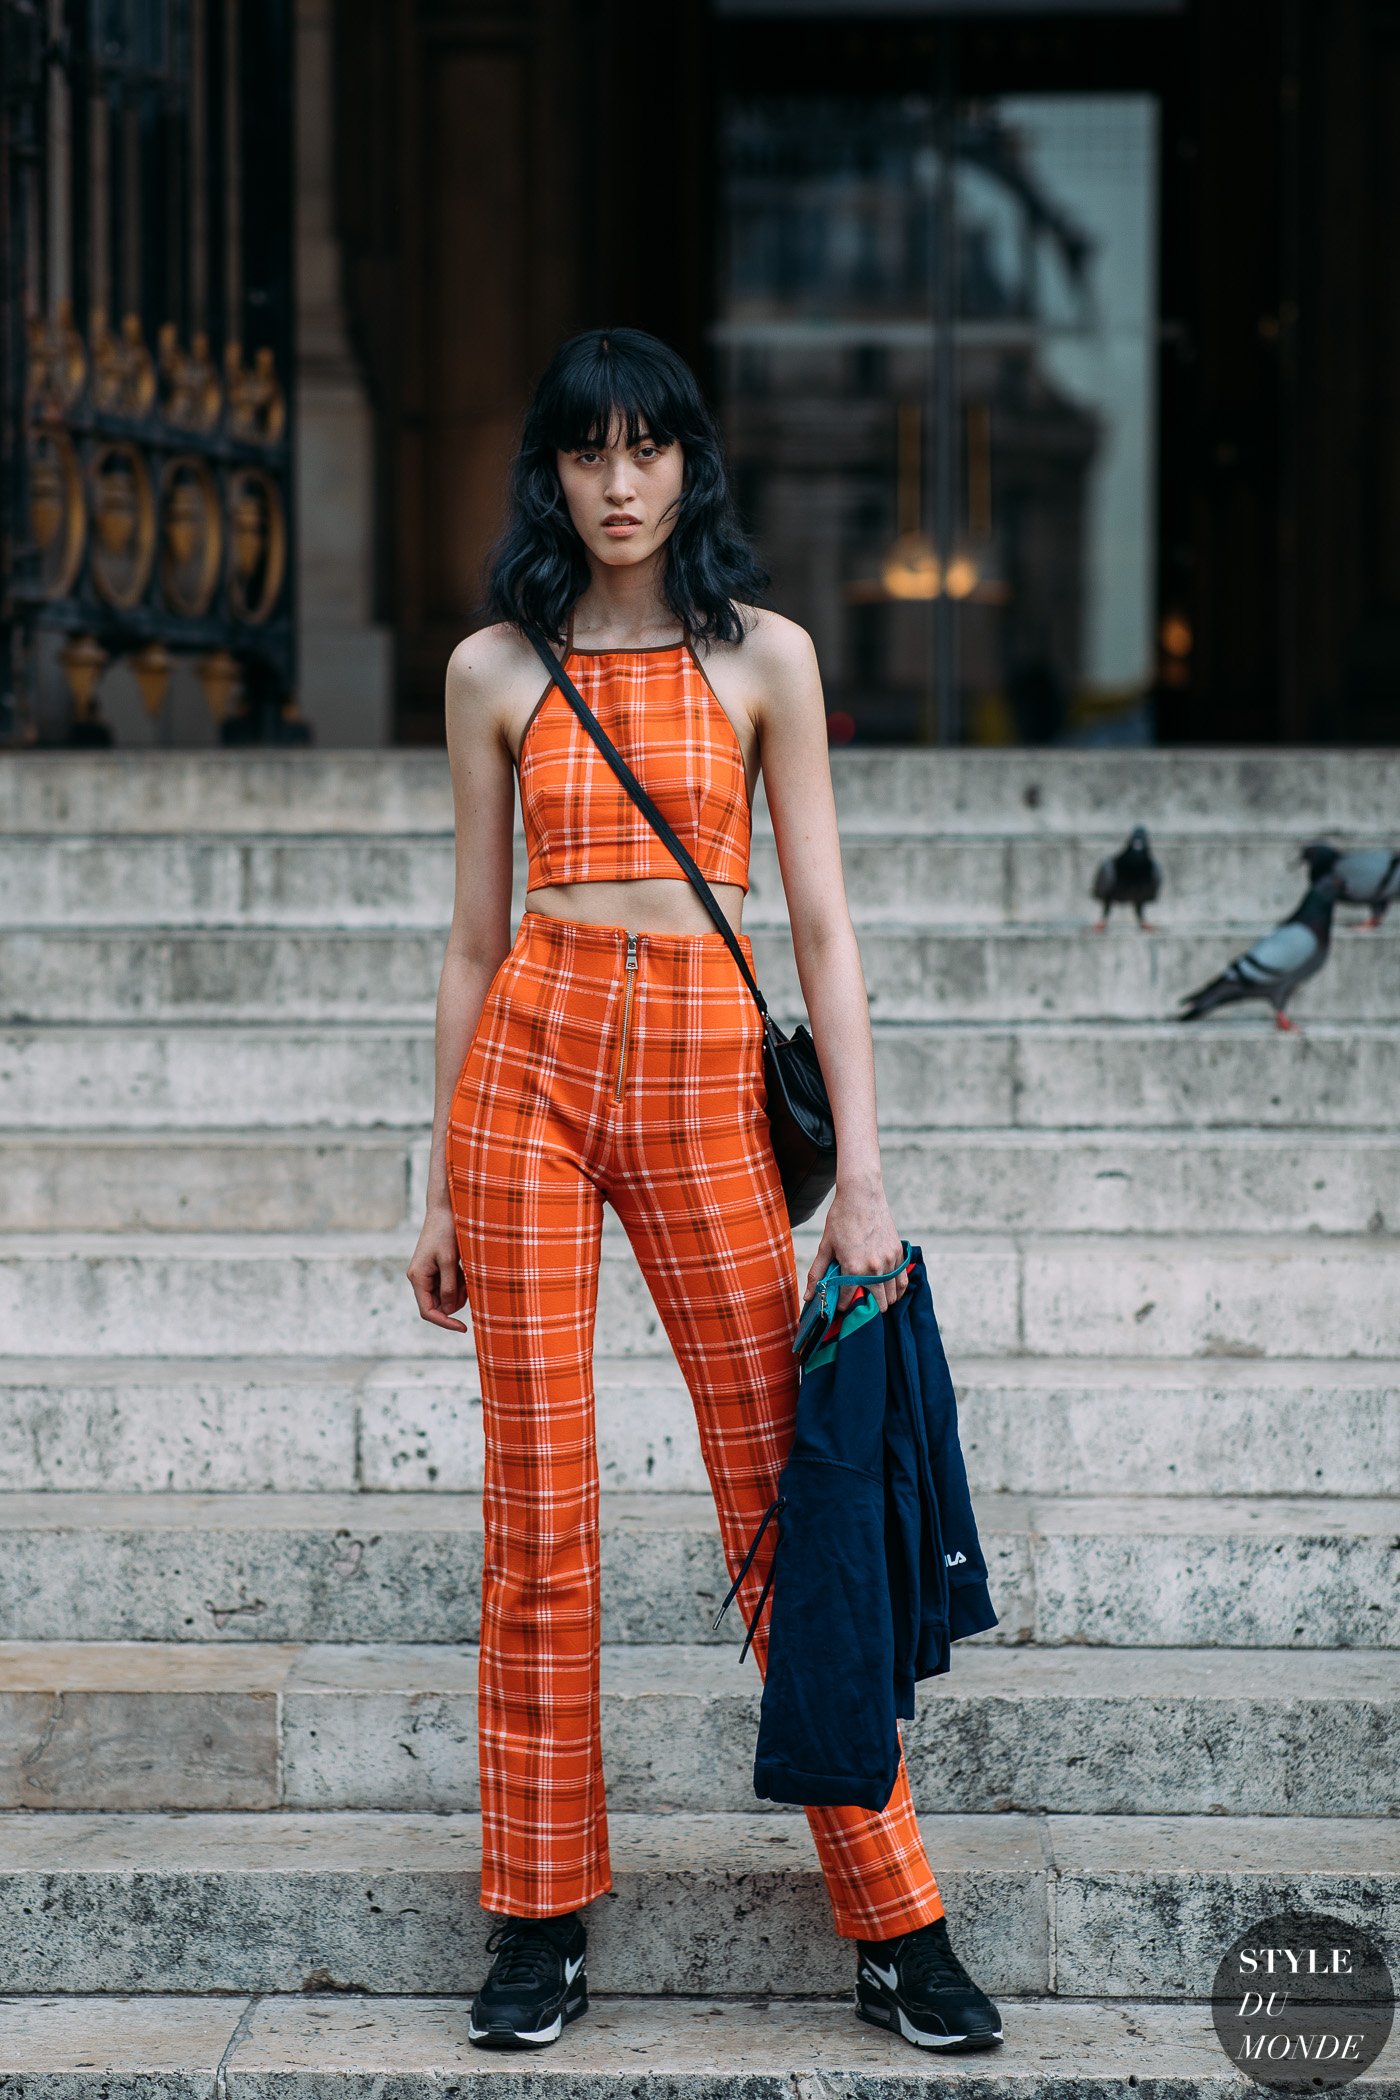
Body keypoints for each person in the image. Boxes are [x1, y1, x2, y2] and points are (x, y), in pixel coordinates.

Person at [406, 326, 1002, 2057]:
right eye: (587, 453)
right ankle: (536, 1915)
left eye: (646, 449)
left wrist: (863, 1180)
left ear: (688, 466)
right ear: (553, 471)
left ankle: (895, 1919)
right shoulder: (494, 673)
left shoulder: (767, 665)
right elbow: (465, 941)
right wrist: (436, 1175)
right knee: (540, 1508)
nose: (617, 484)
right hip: (526, 1067)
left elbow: (821, 929)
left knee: (780, 1493)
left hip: (695, 1077)